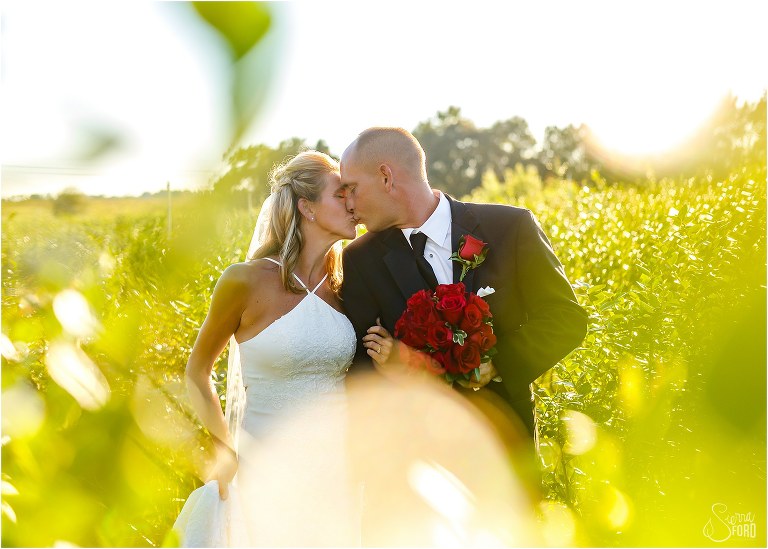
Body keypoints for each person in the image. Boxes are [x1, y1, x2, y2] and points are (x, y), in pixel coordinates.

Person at [172, 150, 380, 546]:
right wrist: (224, 449)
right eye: (341, 195)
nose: (354, 205)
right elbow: (197, 373)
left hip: (338, 469)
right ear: (308, 207)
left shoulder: (347, 285)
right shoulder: (244, 281)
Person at [340, 127, 588, 439]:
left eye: (351, 188)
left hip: (507, 442)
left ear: (386, 177)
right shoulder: (361, 261)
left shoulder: (509, 228)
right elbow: (364, 373)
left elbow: (566, 319)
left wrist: (497, 366)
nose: (348, 203)